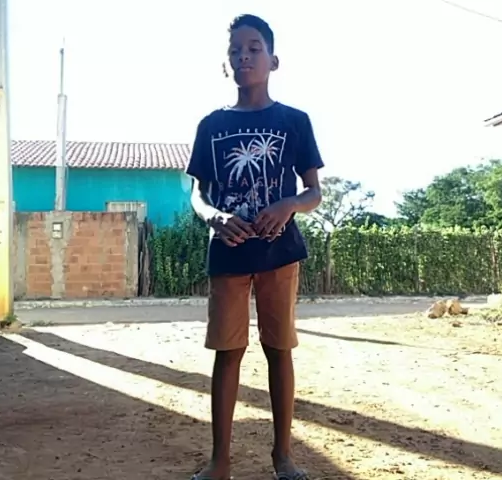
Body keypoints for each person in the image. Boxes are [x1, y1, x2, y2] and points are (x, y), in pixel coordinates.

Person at [184, 13, 324, 480]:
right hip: (227, 253)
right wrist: (214, 217)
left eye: (253, 49)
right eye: (235, 52)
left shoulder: (295, 122)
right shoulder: (211, 125)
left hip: (279, 254)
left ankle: (283, 457)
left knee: (279, 349)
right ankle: (219, 462)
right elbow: (198, 194)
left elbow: (313, 192)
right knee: (228, 352)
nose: (243, 57)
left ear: (273, 60)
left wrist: (289, 205)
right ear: (226, 64)